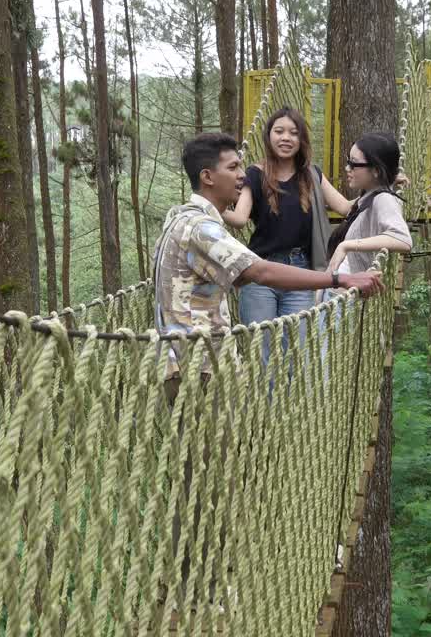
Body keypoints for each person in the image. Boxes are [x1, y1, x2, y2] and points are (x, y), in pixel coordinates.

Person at [150, 131, 382, 612]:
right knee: (207, 481)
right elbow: (259, 272)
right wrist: (339, 279)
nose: (243, 175)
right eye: (234, 168)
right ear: (207, 177)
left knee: (201, 475)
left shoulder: (185, 217)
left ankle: (188, 582)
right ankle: (201, 593)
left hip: (193, 367)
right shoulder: (201, 227)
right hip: (199, 372)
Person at [222, 108, 358, 332]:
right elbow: (239, 218)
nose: (286, 137)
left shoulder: (311, 175)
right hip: (260, 271)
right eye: (279, 131)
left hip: (300, 272)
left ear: (301, 139)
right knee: (261, 349)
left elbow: (345, 207)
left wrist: (383, 187)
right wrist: (207, 206)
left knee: (297, 349)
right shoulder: (255, 174)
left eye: (293, 133)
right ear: (268, 136)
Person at [324, 132, 413, 279]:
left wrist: (346, 245)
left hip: (348, 294)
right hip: (338, 291)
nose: (347, 168)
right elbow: (351, 206)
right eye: (348, 161)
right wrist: (389, 179)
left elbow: (403, 239)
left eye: (353, 163)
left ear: (376, 170)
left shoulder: (383, 199)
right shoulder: (370, 196)